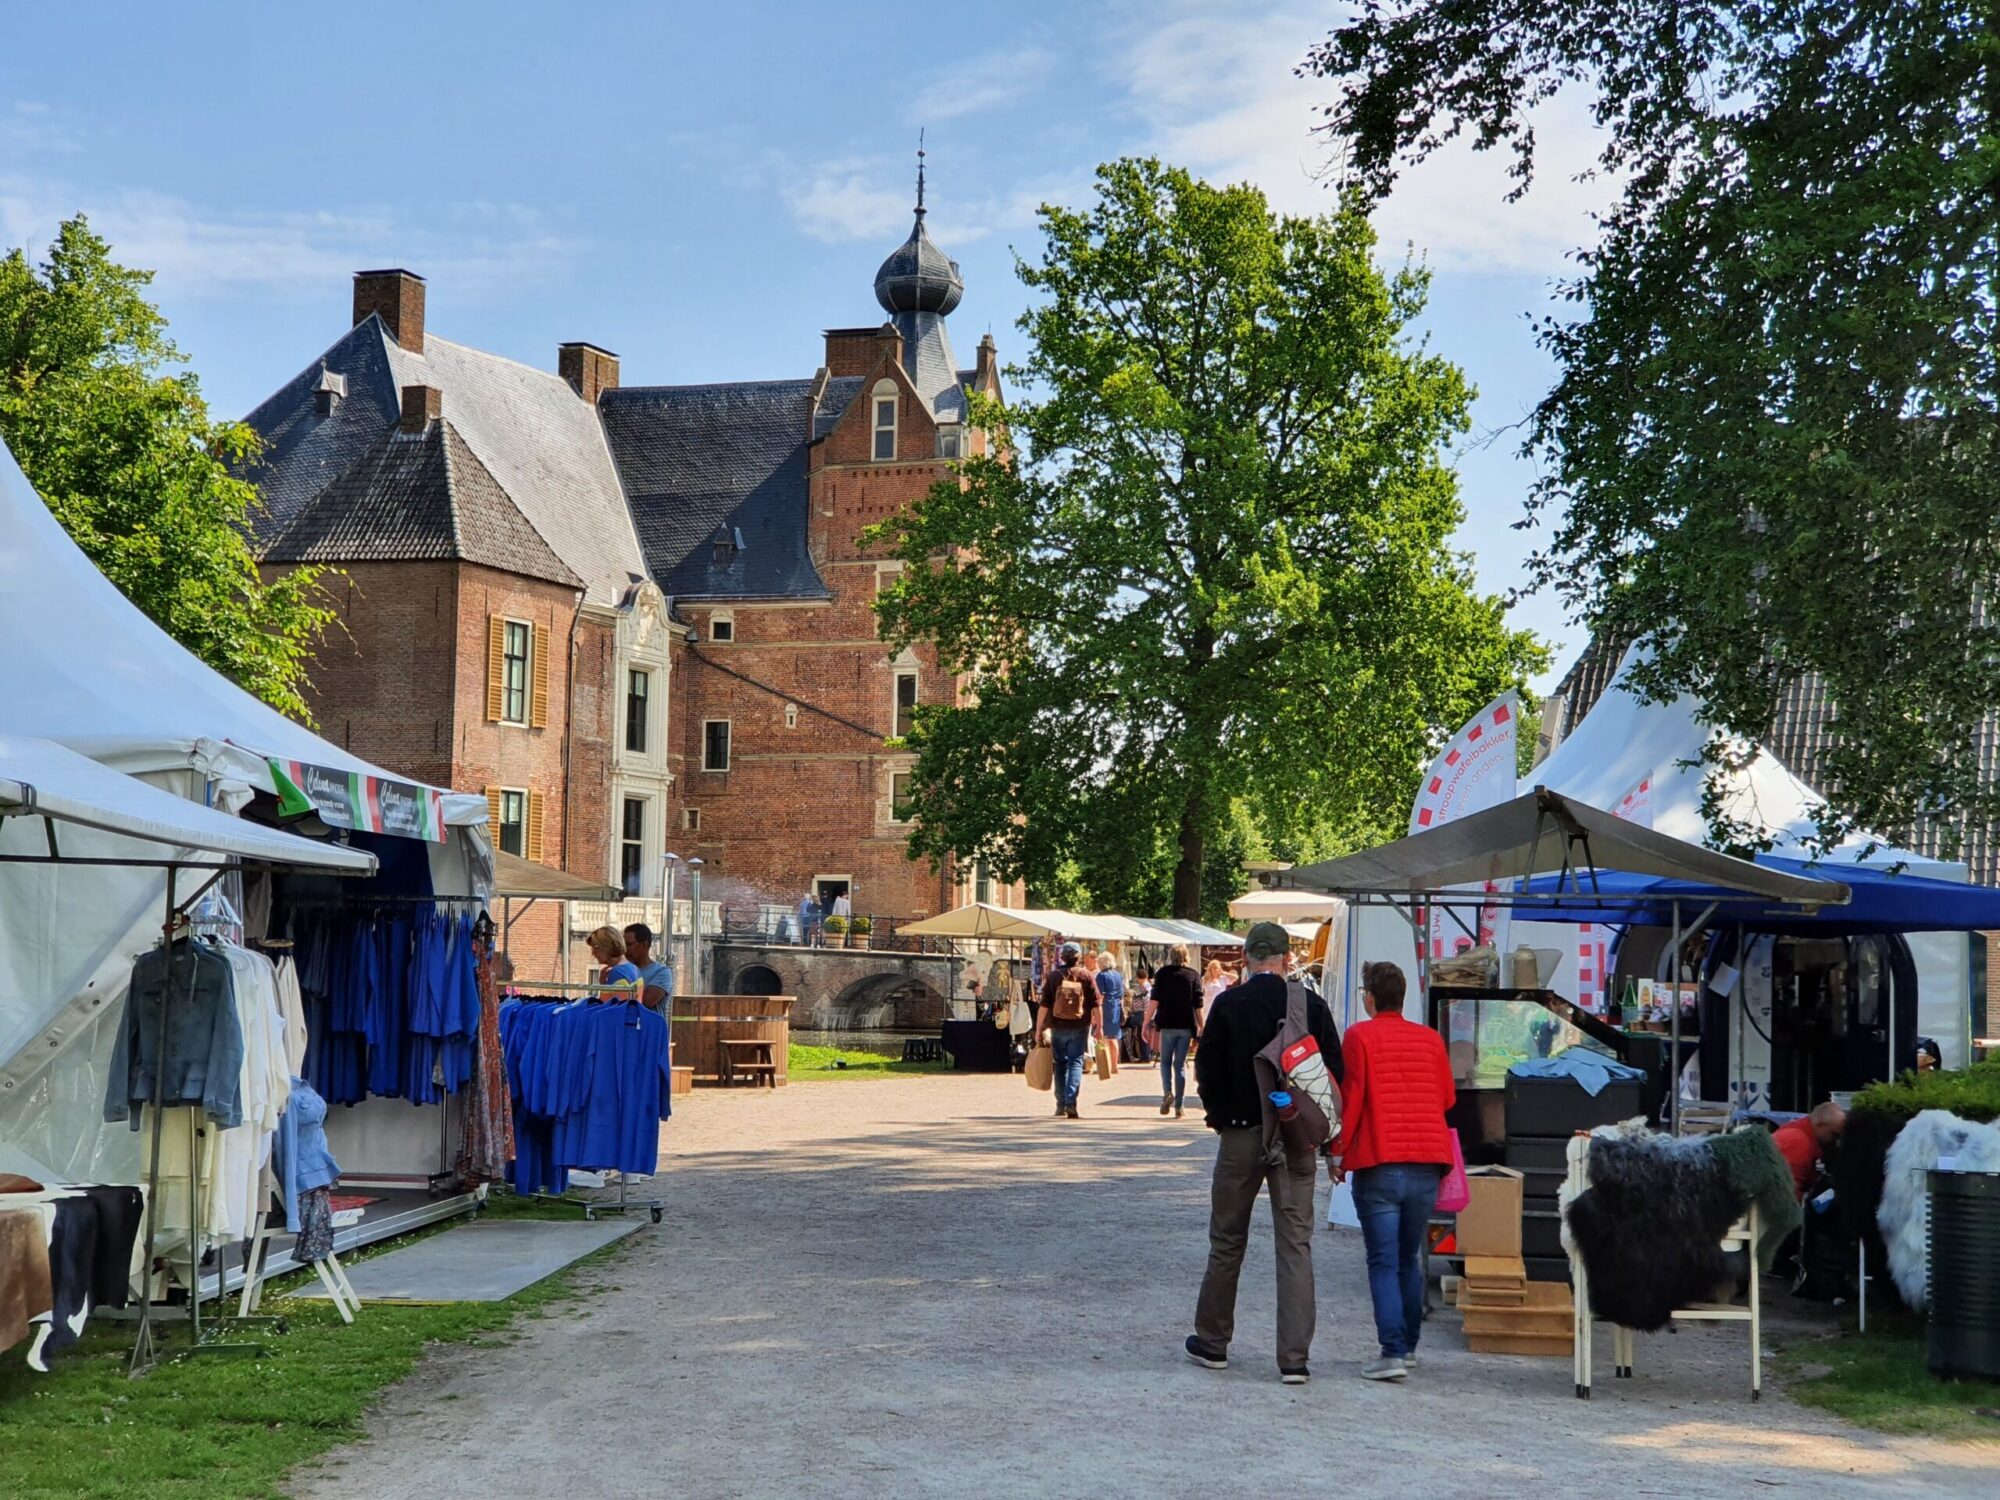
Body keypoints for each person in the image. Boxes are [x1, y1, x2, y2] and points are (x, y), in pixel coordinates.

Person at [1187, 923, 1344, 1385]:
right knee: (1295, 1244)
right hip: (1294, 1136)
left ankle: (1213, 1342)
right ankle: (1293, 1357)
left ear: (1246, 957)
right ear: (1286, 957)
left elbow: (1207, 1069)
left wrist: (1220, 1115)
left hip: (1240, 1134)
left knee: (1227, 1240)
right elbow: (1333, 1072)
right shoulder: (1311, 1006)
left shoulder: (1229, 1004)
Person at [1335, 960, 1456, 1382]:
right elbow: (1446, 1098)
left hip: (1380, 1160)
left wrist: (1337, 1152)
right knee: (1409, 1259)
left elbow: (1353, 1100)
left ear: (1369, 997)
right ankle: (1408, 1347)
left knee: (1383, 1261)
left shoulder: (1359, 1036)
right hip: (1426, 1162)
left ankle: (1392, 1350)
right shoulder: (1430, 1040)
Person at [1037, 941, 1102, 1120]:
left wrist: (1038, 1030)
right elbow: (1097, 1005)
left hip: (1058, 1026)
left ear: (1062, 957)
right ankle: (1071, 1101)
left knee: (1060, 1064)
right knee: (1076, 1062)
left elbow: (1044, 1006)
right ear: (1079, 957)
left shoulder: (1054, 976)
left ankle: (1060, 1105)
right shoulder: (1087, 976)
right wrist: (1100, 1028)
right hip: (1080, 1026)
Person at [1149, 944, 1204, 1118]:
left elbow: (1154, 1000)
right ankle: (1179, 1106)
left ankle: (1167, 1092)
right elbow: (1198, 1005)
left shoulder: (1162, 974)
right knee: (1179, 1065)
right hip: (1186, 1025)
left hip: (1166, 1024)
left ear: (1170, 956)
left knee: (1165, 1062)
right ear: (1186, 956)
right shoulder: (1193, 975)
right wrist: (1202, 1026)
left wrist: (1145, 1022)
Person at [1773, 1102, 1846, 1201]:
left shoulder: (1801, 1133)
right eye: (1835, 1135)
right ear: (1820, 1125)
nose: (1836, 1141)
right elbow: (1787, 1194)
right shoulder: (1797, 1142)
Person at [622, 923, 673, 1011]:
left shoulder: (662, 972)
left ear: (644, 945)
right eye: (623, 945)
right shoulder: (621, 970)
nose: (625, 949)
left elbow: (647, 1001)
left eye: (629, 944)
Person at [588, 926, 641, 1000]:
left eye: (596, 947)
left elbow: (608, 1007)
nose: (593, 953)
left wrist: (603, 987)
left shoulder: (616, 972)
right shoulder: (634, 968)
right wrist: (604, 985)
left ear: (609, 945)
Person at [1096, 956, 1126, 1057]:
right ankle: (1114, 1066)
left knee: (1103, 1036)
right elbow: (1121, 993)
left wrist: (1095, 1012)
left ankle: (1105, 1063)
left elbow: (1101, 995)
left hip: (1106, 1007)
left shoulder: (1101, 975)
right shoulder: (1118, 975)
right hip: (1116, 1007)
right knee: (1113, 1037)